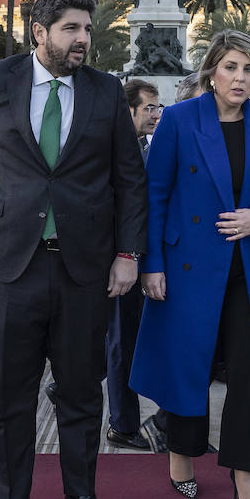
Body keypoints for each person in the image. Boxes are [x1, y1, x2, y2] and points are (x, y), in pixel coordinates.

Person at [0, 0, 145, 499]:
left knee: (80, 390)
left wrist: (128, 254)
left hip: (85, 269)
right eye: (71, 29)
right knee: (8, 394)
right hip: (9, 266)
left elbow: (130, 178)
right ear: (39, 31)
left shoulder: (104, 91)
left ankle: (81, 497)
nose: (82, 40)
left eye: (86, 30)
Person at [130, 29, 250, 499]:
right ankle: (182, 452)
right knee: (190, 362)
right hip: (189, 268)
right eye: (231, 68)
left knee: (249, 370)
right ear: (211, 71)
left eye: (249, 70)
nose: (240, 78)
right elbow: (155, 195)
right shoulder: (180, 120)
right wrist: (152, 264)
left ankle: (245, 470)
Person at [103, 78, 161, 451]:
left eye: (158, 107)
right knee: (120, 343)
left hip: (137, 260)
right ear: (130, 110)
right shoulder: (115, 148)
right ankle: (122, 424)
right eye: (149, 108)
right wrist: (126, 258)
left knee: (122, 342)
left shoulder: (139, 146)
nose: (157, 115)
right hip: (118, 262)